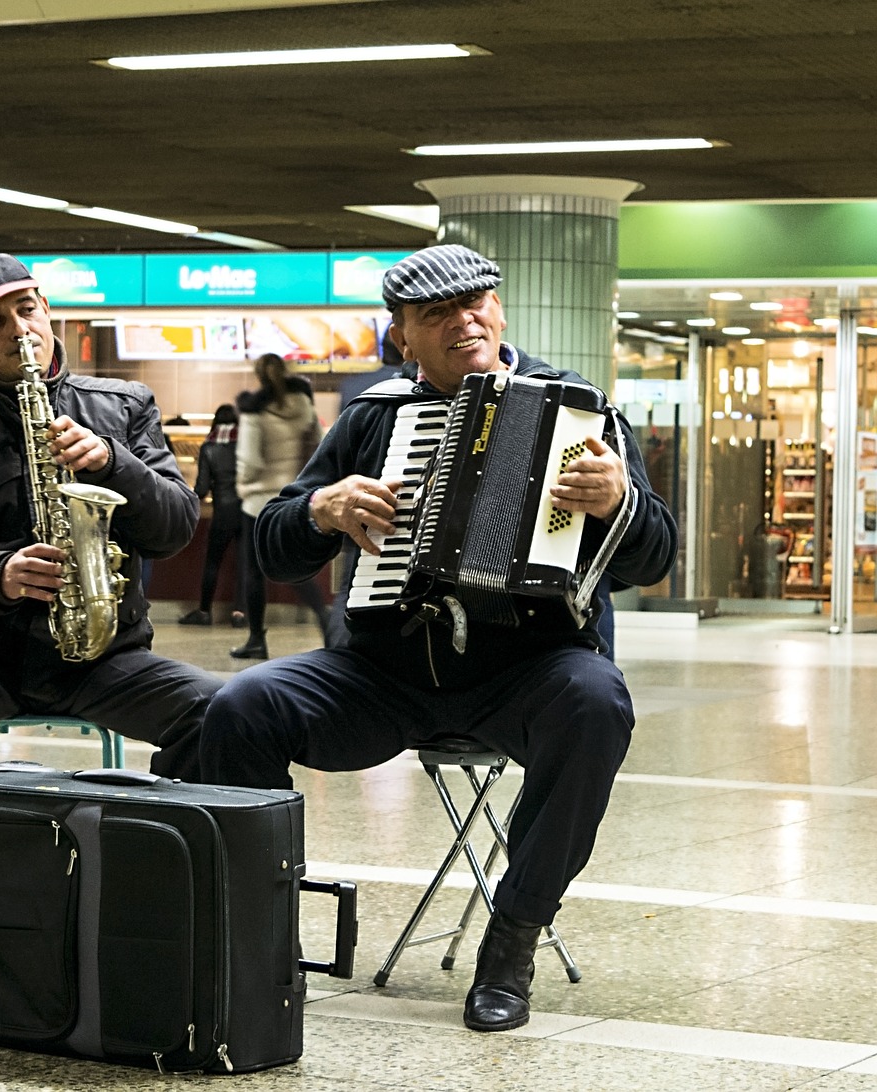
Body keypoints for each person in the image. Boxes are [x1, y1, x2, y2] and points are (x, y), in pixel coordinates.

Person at [199, 244, 678, 1033]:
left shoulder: (577, 408)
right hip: (384, 672)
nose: (463, 323)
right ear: (402, 338)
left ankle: (513, 940)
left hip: (526, 669)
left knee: (596, 703)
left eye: (476, 303)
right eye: (435, 315)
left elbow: (654, 555)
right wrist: (320, 511)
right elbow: (275, 545)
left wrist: (618, 499)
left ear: (499, 308)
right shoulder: (373, 417)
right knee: (242, 705)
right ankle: (256, 936)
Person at [0, 252, 221, 856]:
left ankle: (173, 868)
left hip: (108, 660)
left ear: (47, 309)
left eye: (25, 310)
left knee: (227, 711)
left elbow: (176, 527)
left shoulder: (126, 407)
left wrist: (114, 462)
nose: (18, 331)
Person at [230, 353, 330, 659]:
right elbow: (319, 441)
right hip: (295, 498)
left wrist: (243, 485)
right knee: (295, 567)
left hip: (259, 502)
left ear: (259, 375)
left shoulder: (253, 411)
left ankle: (256, 639)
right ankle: (326, 620)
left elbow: (250, 460)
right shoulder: (303, 404)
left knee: (253, 572)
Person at [178, 404, 245, 627]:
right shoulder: (246, 444)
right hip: (247, 512)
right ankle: (239, 613)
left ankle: (205, 612)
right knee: (245, 562)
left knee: (213, 562)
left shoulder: (209, 445)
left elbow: (202, 488)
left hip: (223, 512)